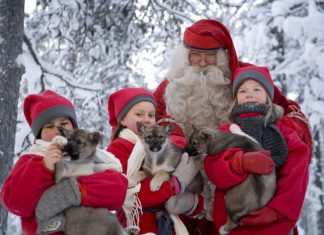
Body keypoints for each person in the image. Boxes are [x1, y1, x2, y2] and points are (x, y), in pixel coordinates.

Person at [153, 18, 312, 234]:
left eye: (209, 55)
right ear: (184, 56)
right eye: (195, 55)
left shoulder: (243, 78)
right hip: (188, 191)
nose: (201, 62)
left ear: (221, 56)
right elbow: (142, 120)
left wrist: (275, 130)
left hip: (243, 188)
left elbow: (289, 110)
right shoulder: (169, 87)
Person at [0, 90, 128, 235]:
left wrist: (75, 190)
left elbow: (117, 191)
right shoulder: (31, 160)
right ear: (39, 133)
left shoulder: (90, 156)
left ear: (73, 128)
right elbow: (14, 202)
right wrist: (45, 167)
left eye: (64, 123)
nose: (57, 130)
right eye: (49, 126)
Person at [204, 65, 310, 234]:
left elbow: (296, 170)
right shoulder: (226, 130)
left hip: (274, 221)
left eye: (256, 89)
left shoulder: (284, 131)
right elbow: (213, 166)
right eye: (242, 91)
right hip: (234, 217)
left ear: (268, 96)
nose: (249, 94)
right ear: (235, 98)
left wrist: (278, 209)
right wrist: (239, 162)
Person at [106, 87, 200, 234]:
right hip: (138, 223)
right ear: (123, 119)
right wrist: (170, 186)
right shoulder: (118, 148)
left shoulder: (157, 145)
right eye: (139, 114)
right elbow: (129, 194)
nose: (146, 119)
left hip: (167, 223)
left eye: (151, 115)